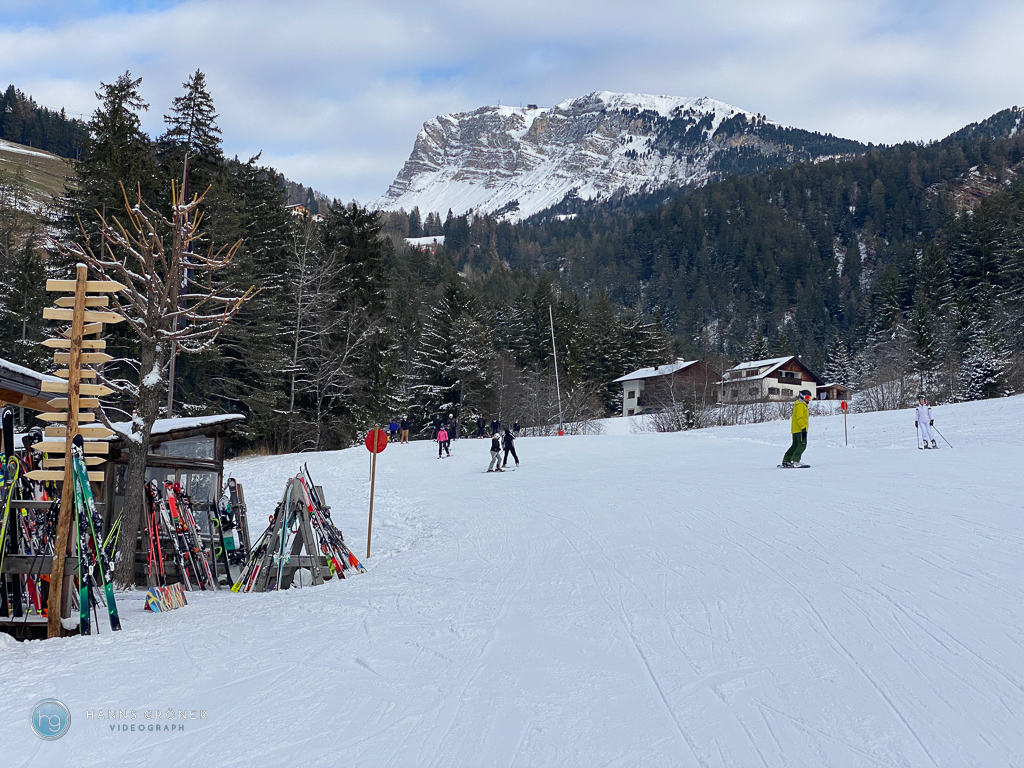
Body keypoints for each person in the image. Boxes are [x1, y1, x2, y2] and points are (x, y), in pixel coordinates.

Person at [781, 390, 811, 467]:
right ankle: (795, 461)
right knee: (802, 445)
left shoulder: (799, 405)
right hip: (801, 430)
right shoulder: (801, 405)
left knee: (795, 445)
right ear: (802, 396)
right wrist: (803, 428)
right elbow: (800, 418)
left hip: (796, 430)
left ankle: (786, 460)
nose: (808, 399)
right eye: (807, 397)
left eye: (809, 397)